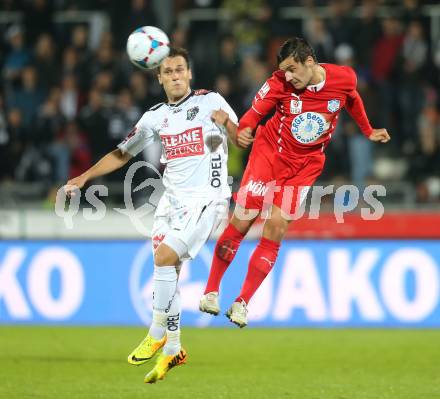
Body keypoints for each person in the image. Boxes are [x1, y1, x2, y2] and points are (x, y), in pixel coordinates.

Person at [64, 47, 239, 382]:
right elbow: (121, 154)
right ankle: (174, 349)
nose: (174, 76)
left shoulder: (210, 101)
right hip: (170, 201)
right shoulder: (154, 116)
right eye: (168, 72)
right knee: (168, 269)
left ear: (189, 74)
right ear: (159, 78)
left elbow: (244, 138)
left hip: (207, 198)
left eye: (179, 70)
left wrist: (228, 124)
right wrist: (83, 177)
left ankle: (157, 330)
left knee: (163, 258)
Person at [199, 37, 390, 327]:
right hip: (270, 155)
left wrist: (367, 129)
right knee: (244, 218)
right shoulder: (279, 83)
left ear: (309, 62)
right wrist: (246, 127)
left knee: (276, 228)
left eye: (292, 69)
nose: (287, 75)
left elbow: (351, 96)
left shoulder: (344, 76)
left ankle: (242, 302)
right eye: (284, 70)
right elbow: (254, 113)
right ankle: (211, 291)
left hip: (305, 166)